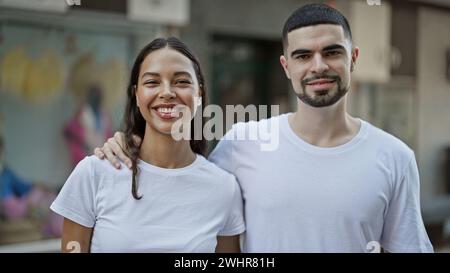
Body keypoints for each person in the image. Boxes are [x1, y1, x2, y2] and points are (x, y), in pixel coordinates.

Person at [94, 4, 433, 252]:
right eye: (303, 56)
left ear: (353, 58)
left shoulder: (394, 157)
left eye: (332, 52)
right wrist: (130, 146)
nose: (318, 66)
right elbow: (179, 184)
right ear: (286, 66)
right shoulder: (243, 142)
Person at [51, 37, 245, 253]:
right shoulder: (94, 173)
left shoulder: (224, 188)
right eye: (152, 82)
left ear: (198, 93)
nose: (167, 92)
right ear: (136, 94)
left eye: (181, 81)